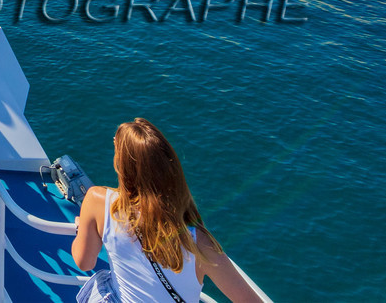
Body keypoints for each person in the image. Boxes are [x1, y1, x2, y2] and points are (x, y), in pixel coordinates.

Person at [71, 119, 269, 303]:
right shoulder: (200, 242)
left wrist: (82, 229)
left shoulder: (98, 201)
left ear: (123, 163)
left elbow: (85, 263)